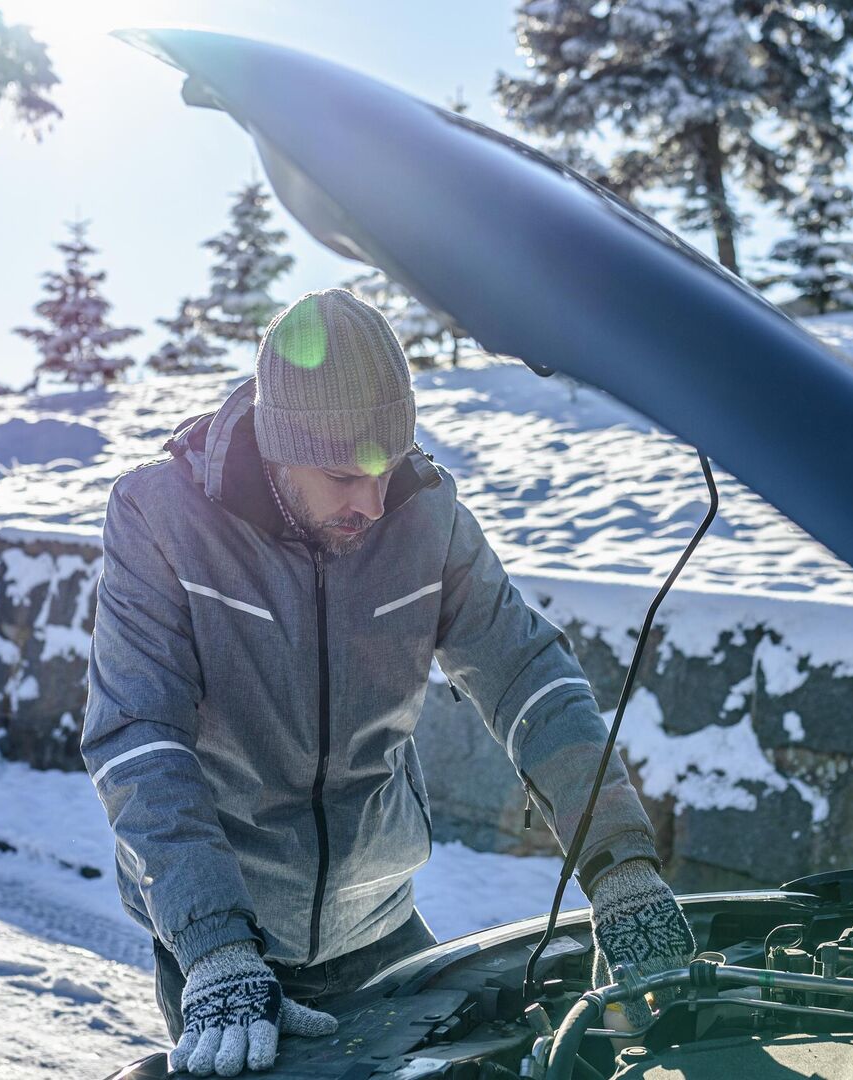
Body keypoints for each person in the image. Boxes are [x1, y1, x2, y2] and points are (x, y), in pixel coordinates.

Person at [83, 289, 694, 1077]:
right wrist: (215, 947)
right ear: (277, 445)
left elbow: (529, 678)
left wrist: (621, 865)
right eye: (342, 474)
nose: (373, 502)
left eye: (387, 464)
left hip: (384, 923)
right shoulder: (160, 518)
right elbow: (138, 740)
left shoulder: (428, 514)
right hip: (234, 944)